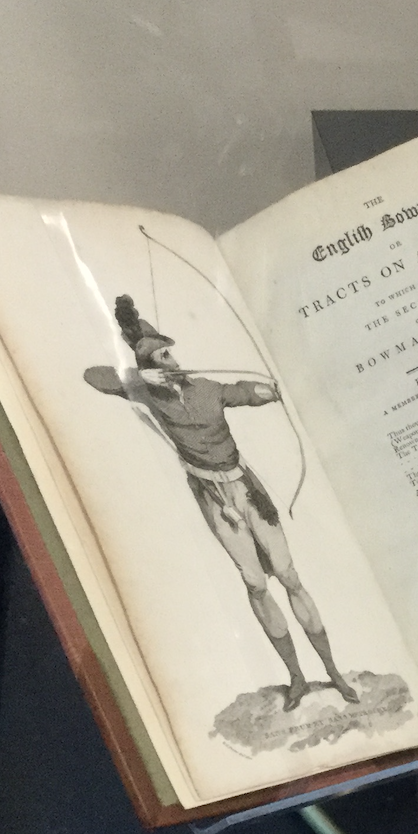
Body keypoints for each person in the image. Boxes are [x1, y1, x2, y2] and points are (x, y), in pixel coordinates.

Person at [85, 295, 358, 711]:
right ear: (150, 366)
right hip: (212, 496)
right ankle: (297, 679)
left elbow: (243, 391)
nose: (172, 360)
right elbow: (94, 376)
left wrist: (268, 391)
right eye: (162, 356)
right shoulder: (146, 392)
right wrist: (140, 382)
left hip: (245, 488)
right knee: (254, 583)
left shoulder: (207, 388)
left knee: (288, 574)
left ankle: (333, 672)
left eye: (169, 352)